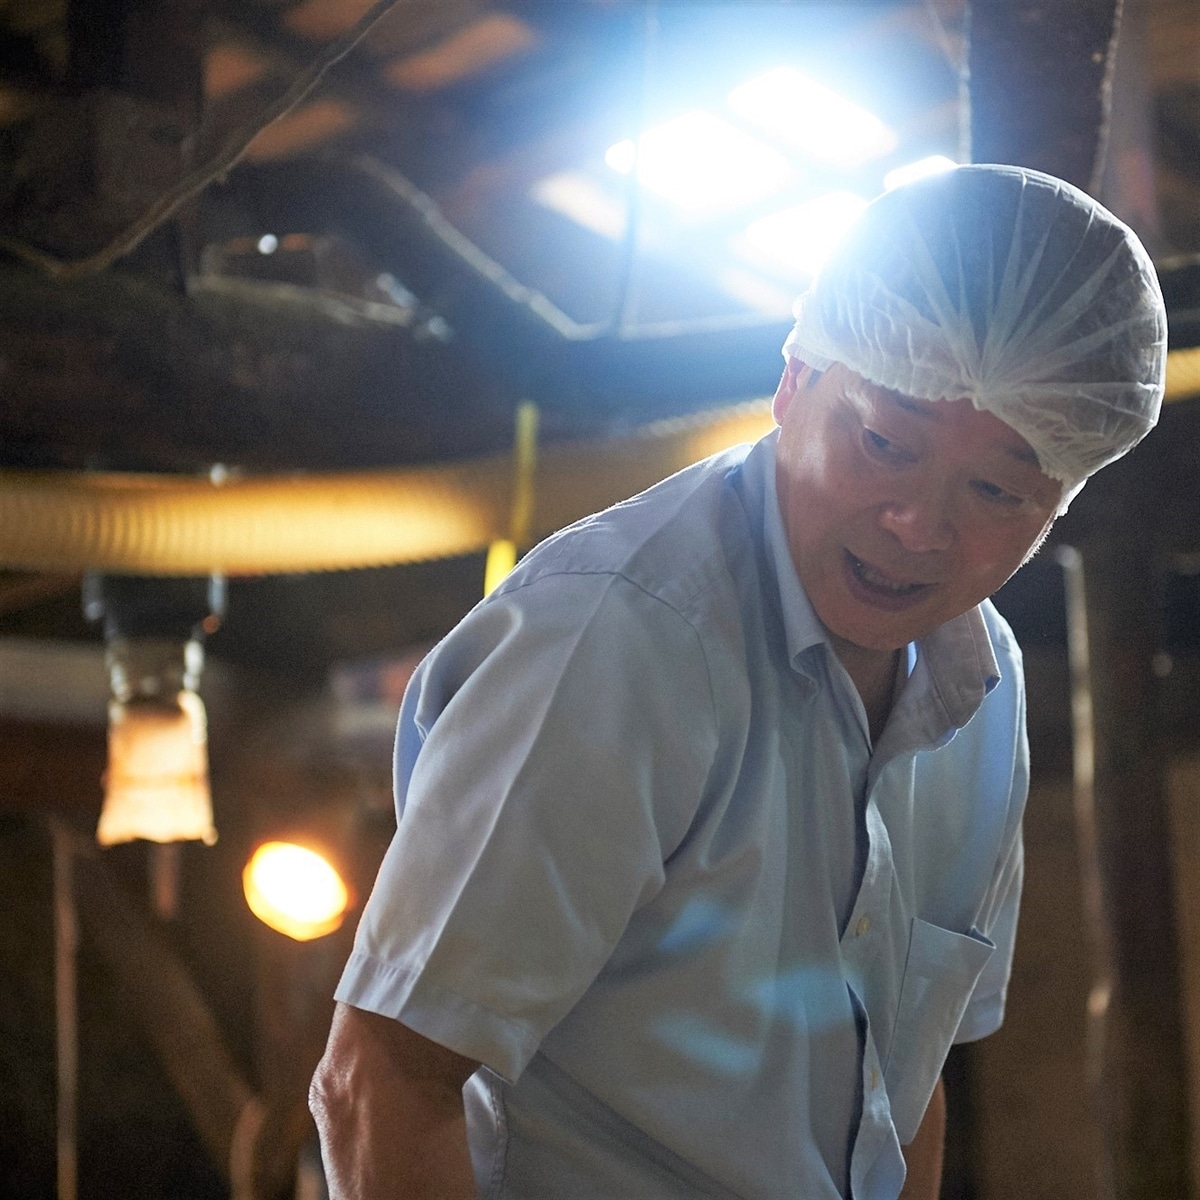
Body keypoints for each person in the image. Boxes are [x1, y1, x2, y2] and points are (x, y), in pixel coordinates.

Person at [309, 164, 1166, 1199]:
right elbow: (383, 1080)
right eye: (885, 442)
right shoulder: (622, 638)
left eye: (996, 490)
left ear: (1058, 501)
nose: (920, 526)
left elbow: (906, 1088)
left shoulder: (983, 691)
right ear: (796, 380)